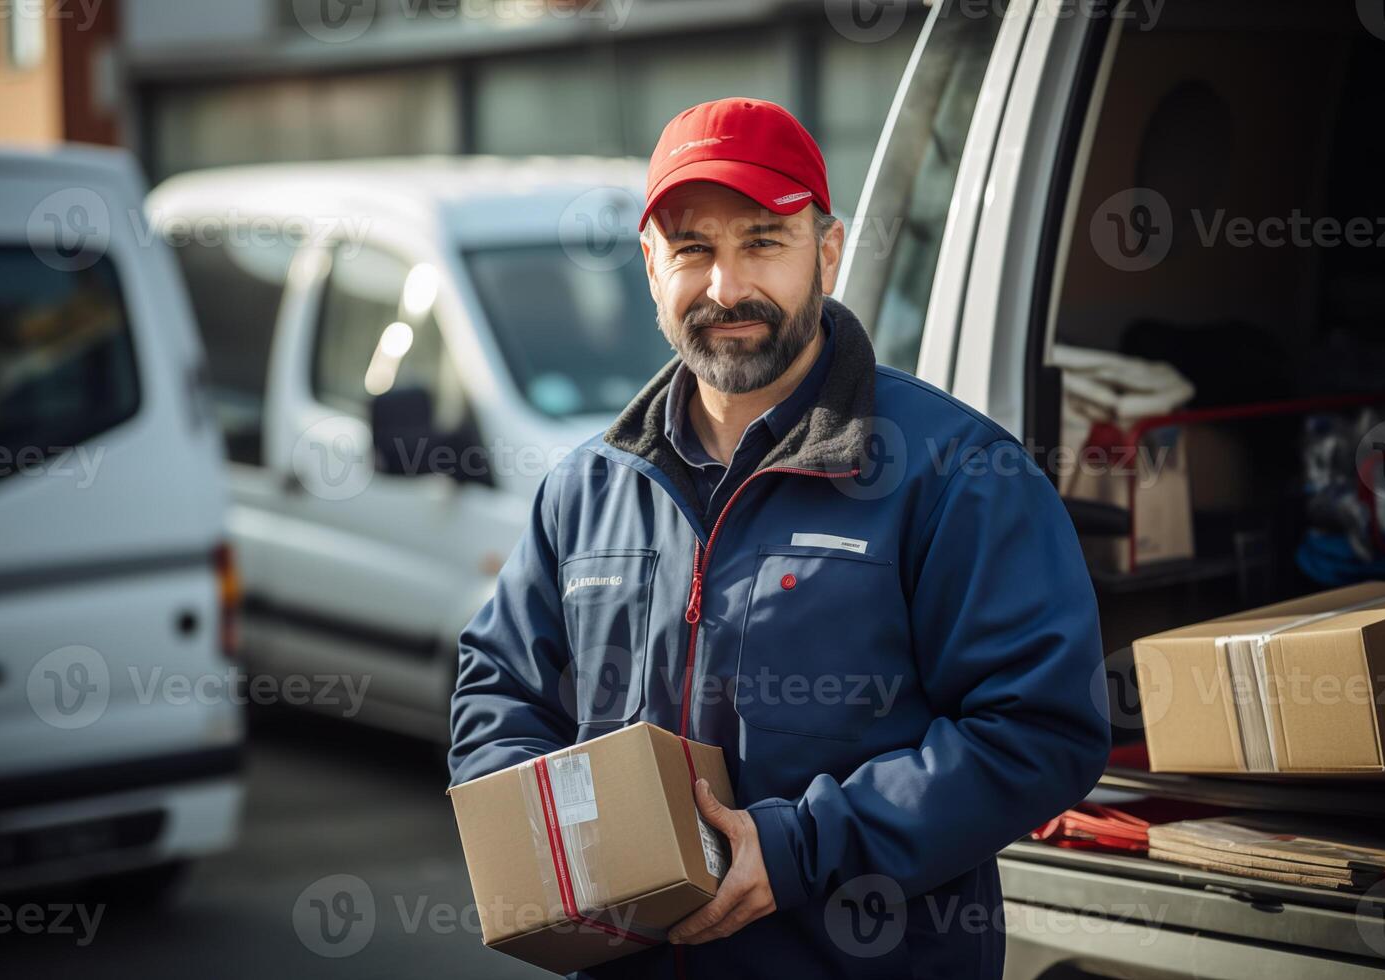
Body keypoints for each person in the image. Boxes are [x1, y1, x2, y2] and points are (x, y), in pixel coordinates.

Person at [449, 97, 1110, 979]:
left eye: (763, 240)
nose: (727, 288)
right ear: (650, 267)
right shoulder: (587, 487)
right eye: (693, 249)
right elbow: (498, 689)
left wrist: (801, 846)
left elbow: (1037, 728)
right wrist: (558, 840)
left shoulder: (952, 472)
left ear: (827, 253)